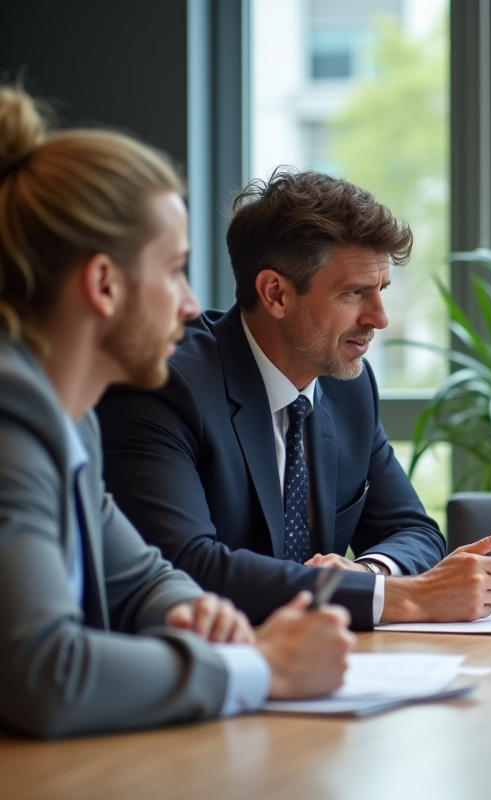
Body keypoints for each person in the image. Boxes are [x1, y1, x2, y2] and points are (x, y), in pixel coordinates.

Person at [0, 85, 352, 737]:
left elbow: (138, 579)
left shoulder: (68, 419)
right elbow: (46, 673)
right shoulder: (10, 421)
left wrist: (194, 611)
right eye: (174, 271)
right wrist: (260, 670)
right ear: (104, 283)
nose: (191, 304)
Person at [96, 170, 491, 631]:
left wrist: (368, 573)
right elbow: (187, 566)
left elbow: (413, 531)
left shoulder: (349, 385)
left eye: (382, 291)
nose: (380, 318)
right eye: (355, 293)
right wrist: (401, 599)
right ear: (275, 293)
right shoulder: (164, 385)